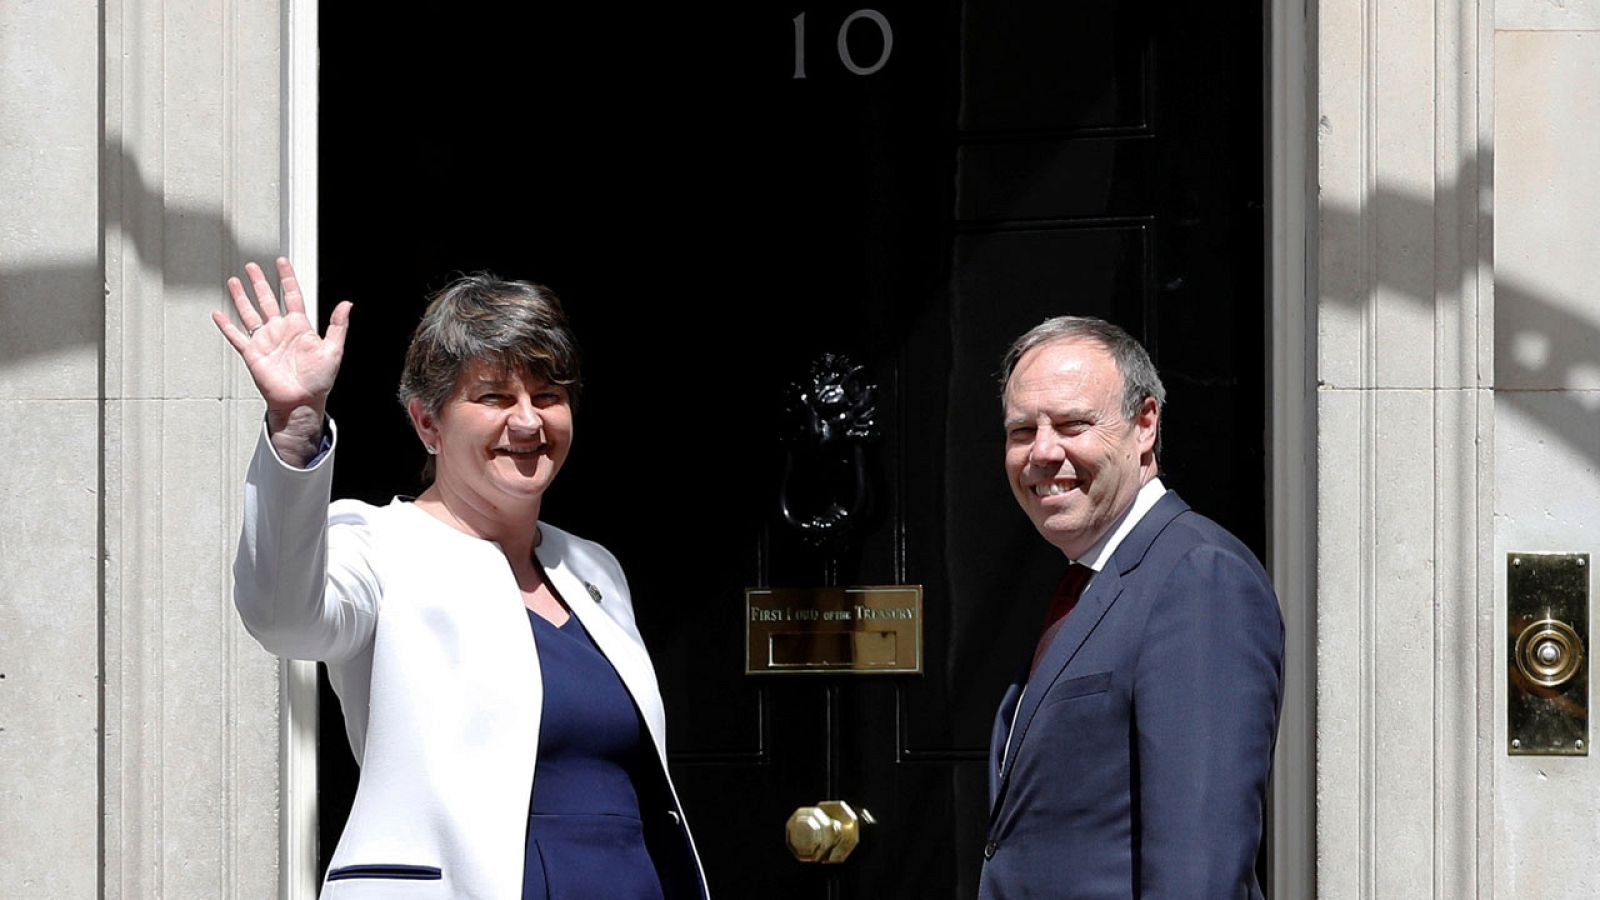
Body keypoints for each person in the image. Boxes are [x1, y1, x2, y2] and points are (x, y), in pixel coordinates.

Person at [214, 258, 708, 899]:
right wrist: (297, 423)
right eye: (495, 397)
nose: (529, 422)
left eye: (548, 396)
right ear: (427, 423)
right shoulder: (378, 543)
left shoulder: (593, 567)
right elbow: (282, 616)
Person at [979, 316, 1284, 899]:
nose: (1043, 451)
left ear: (1145, 425)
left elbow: (1200, 868)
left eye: (1073, 424)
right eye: (1022, 431)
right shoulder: (1093, 583)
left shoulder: (1199, 577)